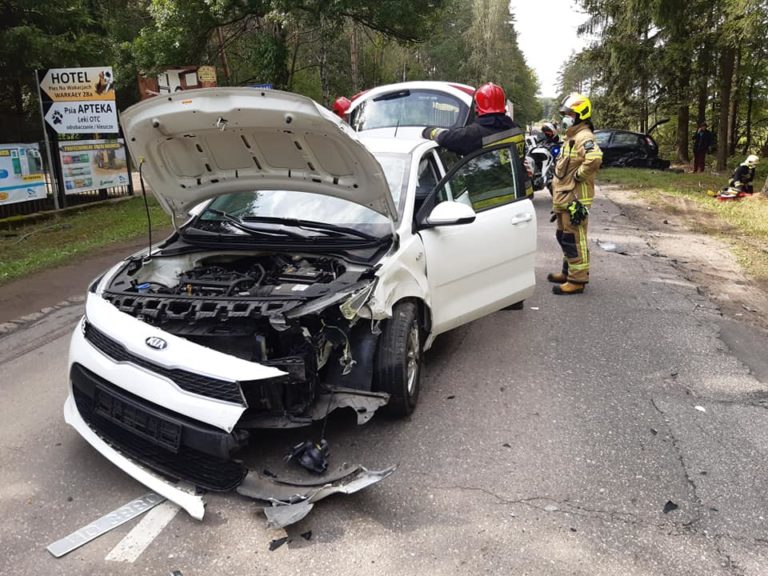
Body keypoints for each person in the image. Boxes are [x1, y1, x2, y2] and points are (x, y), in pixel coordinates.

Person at [548, 92, 602, 295]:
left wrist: (578, 176)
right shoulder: (572, 136)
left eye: (569, 113)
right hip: (565, 197)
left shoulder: (584, 136)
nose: (566, 117)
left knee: (574, 238)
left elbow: (594, 158)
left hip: (575, 199)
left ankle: (577, 280)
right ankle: (567, 271)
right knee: (564, 236)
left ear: (580, 114)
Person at [421, 82, 522, 155]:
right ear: (502, 105)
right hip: (521, 184)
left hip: (494, 185)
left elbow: (445, 138)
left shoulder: (475, 133)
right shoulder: (517, 130)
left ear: (477, 107)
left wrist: (428, 131)